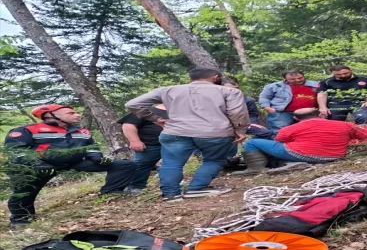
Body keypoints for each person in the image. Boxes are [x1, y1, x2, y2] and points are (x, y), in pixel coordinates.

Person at [125, 68, 251, 202]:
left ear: (190, 78)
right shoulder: (230, 92)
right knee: (213, 160)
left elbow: (132, 104)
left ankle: (170, 195)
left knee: (171, 163)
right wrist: (240, 130)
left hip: (175, 132)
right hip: (215, 132)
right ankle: (196, 188)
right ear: (215, 77)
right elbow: (237, 113)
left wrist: (154, 118)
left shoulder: (167, 90)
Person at [4, 105, 136, 227]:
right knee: (24, 192)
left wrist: (96, 157)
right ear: (51, 115)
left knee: (124, 165)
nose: (77, 115)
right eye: (71, 113)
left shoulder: (82, 131)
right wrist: (37, 163)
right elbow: (16, 150)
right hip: (40, 166)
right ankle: (20, 219)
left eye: (76, 112)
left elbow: (91, 146)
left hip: (74, 163)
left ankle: (111, 191)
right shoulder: (27, 130)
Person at [234, 108, 367, 174]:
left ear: (295, 118)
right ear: (321, 114)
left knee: (252, 143)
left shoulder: (290, 128)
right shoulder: (345, 124)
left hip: (300, 155)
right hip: (333, 157)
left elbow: (280, 140)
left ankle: (256, 168)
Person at [117, 104, 168, 194]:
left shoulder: (179, 110)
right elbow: (128, 125)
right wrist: (134, 141)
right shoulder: (147, 111)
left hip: (172, 144)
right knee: (142, 165)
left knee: (172, 164)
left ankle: (170, 184)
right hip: (150, 144)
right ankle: (134, 186)